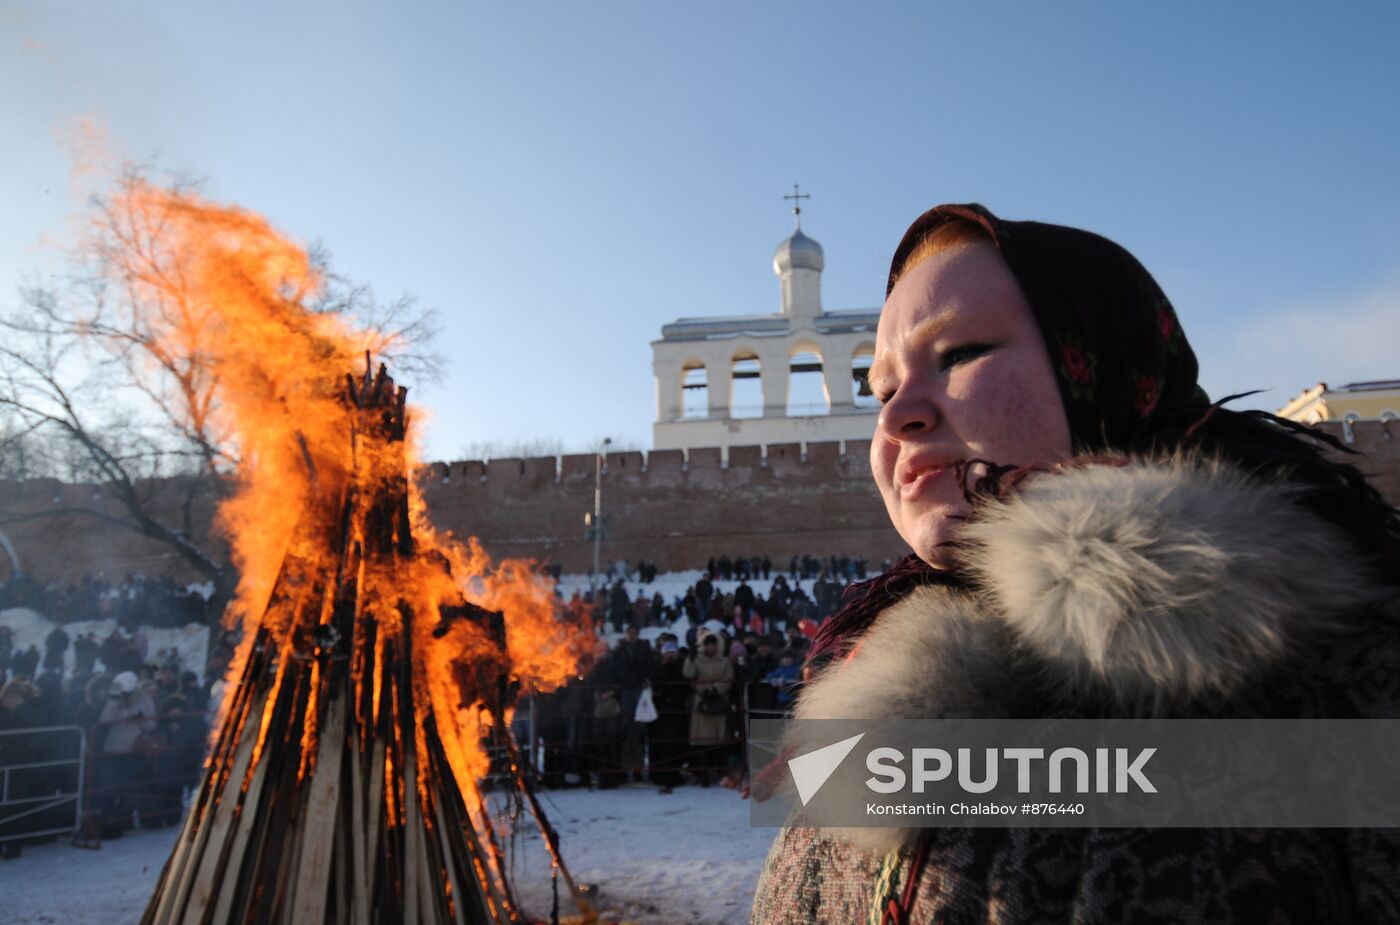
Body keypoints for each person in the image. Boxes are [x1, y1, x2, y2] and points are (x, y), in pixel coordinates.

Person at [751, 203, 1400, 923]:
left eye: (960, 353)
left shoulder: (1340, 673)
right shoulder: (861, 678)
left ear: (1099, 360)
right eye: (881, 388)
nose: (896, 415)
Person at [682, 631, 734, 787]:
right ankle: (703, 773)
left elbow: (729, 678)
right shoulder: (697, 660)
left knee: (719, 740)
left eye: (713, 645)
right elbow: (688, 674)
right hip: (702, 701)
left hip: (718, 701)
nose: (711, 648)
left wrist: (716, 689)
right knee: (702, 742)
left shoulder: (724, 661)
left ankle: (721, 772)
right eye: (708, 645)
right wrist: (690, 659)